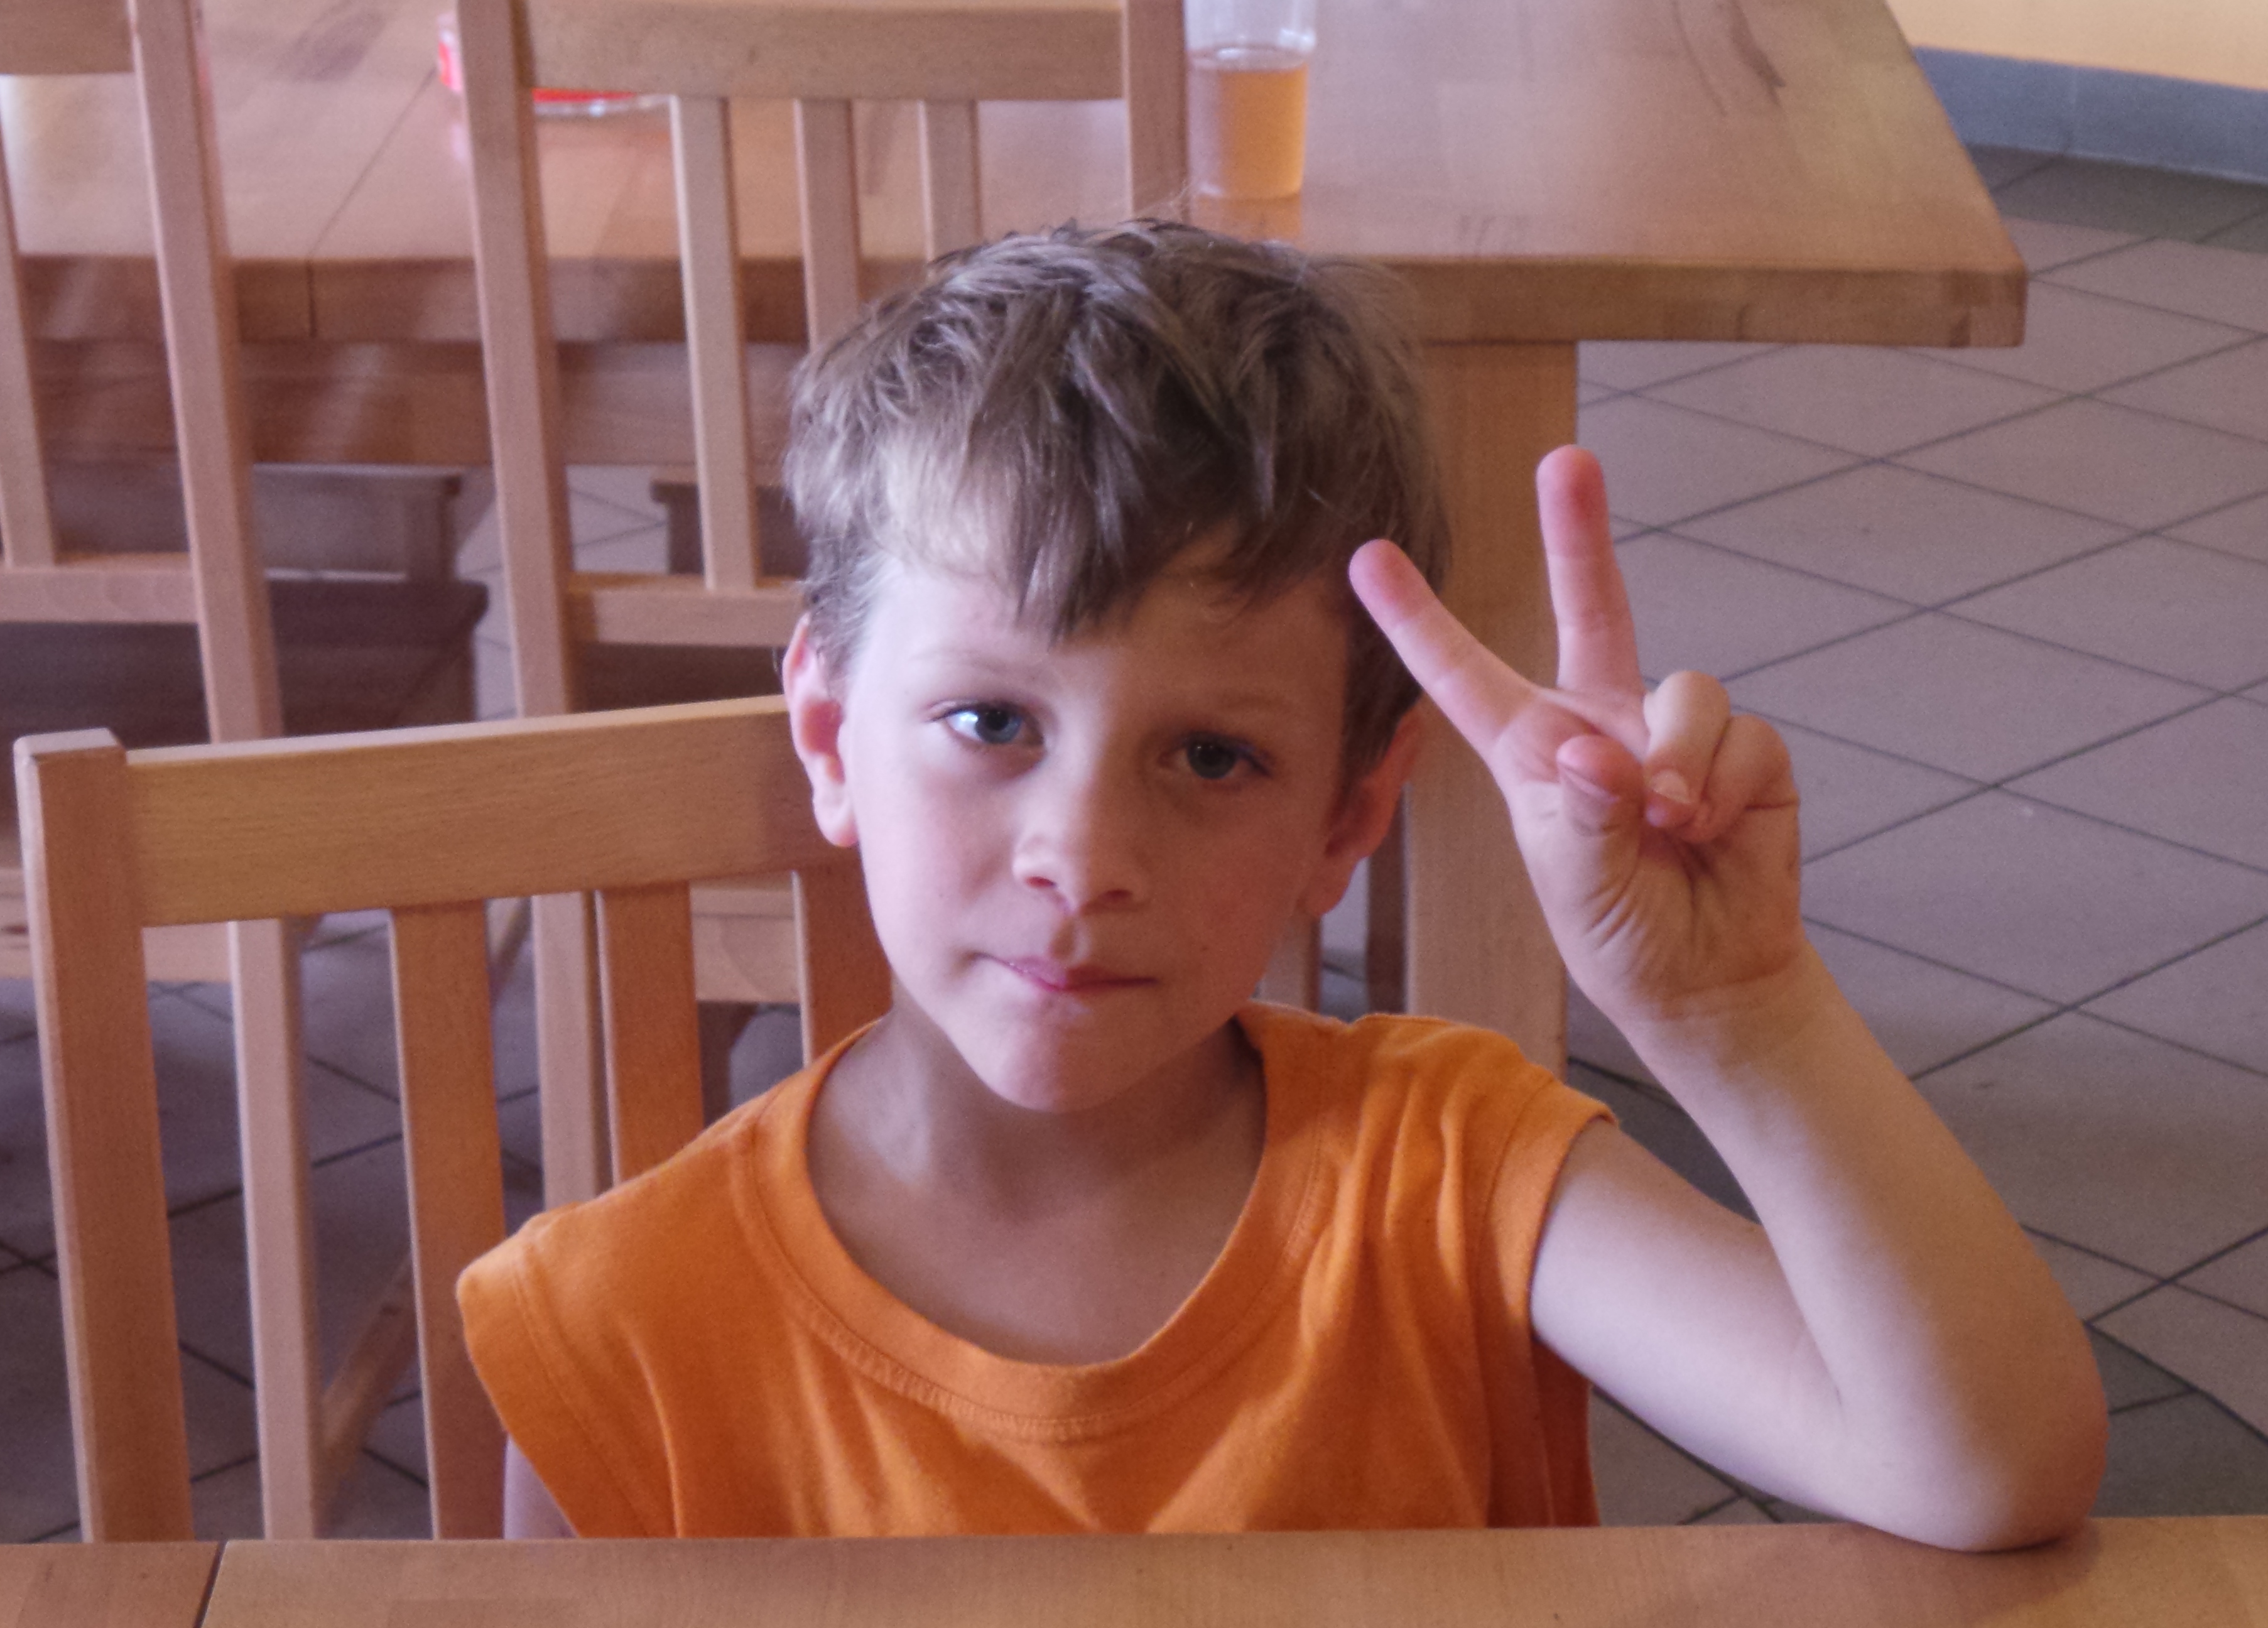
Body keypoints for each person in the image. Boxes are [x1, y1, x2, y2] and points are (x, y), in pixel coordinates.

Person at [459, 221, 2106, 1550]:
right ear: (830, 737)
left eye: (1209, 757)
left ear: (1347, 817)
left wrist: (1738, 1016)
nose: (1084, 860)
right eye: (990, 723)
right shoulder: (620, 1330)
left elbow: (1984, 1470)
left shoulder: (1444, 1170)